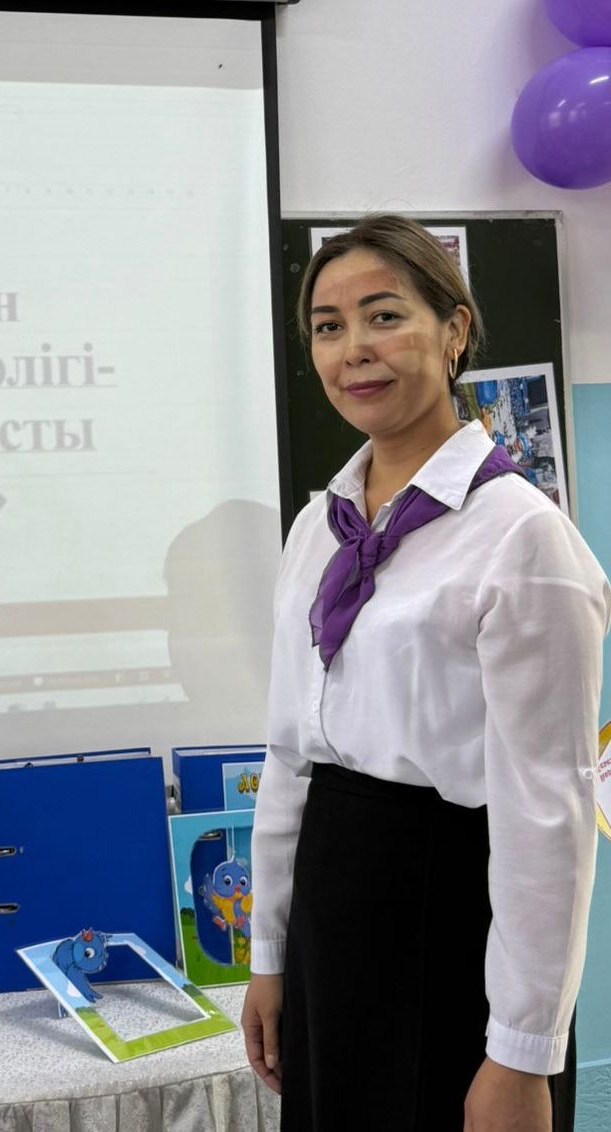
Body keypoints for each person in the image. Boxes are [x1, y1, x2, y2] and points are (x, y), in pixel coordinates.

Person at [240, 214, 610, 1132]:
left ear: (453, 331)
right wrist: (269, 956)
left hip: (446, 918)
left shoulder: (522, 538)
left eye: (384, 315)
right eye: (328, 327)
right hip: (329, 916)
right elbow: (289, 756)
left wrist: (521, 1052)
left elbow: (547, 812)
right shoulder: (318, 526)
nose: (353, 350)